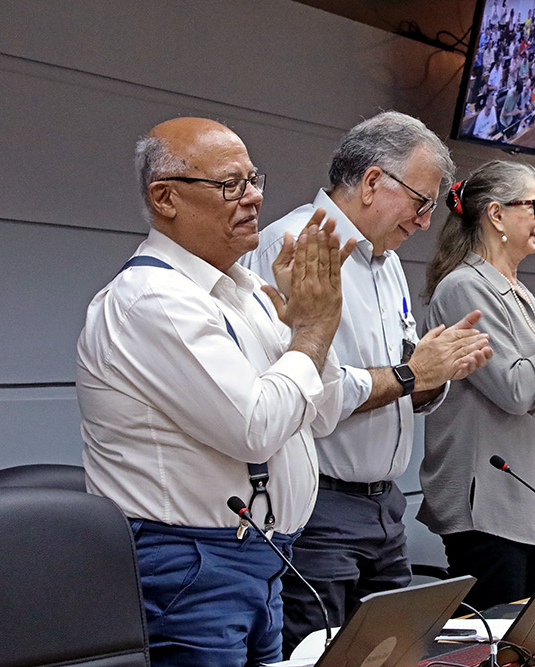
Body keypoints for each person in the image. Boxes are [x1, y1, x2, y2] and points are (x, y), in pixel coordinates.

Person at [77, 117, 350, 666]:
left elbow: (325, 412)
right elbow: (254, 429)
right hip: (191, 568)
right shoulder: (153, 300)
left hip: (262, 560)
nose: (253, 198)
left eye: (254, 180)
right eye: (231, 185)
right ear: (166, 198)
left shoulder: (243, 289)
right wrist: (313, 331)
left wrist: (308, 324)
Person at [240, 111, 492, 654]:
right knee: (318, 655)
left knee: (397, 654)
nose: (426, 222)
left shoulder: (388, 261)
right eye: (422, 202)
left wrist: (435, 372)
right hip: (320, 511)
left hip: (385, 506)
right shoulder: (295, 244)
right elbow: (310, 393)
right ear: (375, 181)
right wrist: (411, 373)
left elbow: (404, 376)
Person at [419, 160, 535, 610]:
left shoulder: (518, 290)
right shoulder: (464, 286)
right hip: (488, 509)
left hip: (526, 502)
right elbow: (519, 390)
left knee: (526, 645)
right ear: (496, 214)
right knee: (498, 649)